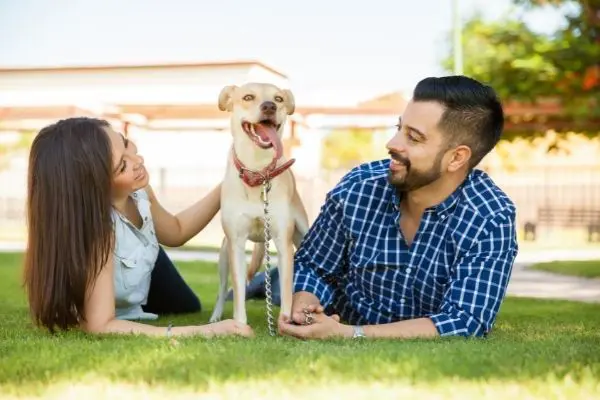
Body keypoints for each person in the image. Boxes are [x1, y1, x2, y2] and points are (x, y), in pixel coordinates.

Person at [275, 75, 518, 340]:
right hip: (341, 303)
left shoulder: (490, 217)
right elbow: (314, 266)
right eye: (399, 128)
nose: (392, 143)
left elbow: (464, 321)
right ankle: (264, 283)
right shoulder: (358, 187)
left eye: (413, 138)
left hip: (351, 323)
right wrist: (304, 305)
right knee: (280, 285)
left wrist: (351, 333)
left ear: (456, 158)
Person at [23, 117, 253, 338]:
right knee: (185, 309)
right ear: (94, 186)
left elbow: (176, 230)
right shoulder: (100, 235)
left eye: (126, 144)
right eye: (123, 165)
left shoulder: (138, 191)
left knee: (188, 306)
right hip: (117, 274)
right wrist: (204, 331)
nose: (137, 160)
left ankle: (264, 280)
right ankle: (263, 283)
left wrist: (231, 181)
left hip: (146, 258)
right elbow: (100, 325)